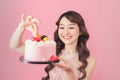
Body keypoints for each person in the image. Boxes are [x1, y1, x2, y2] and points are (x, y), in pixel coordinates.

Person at [9, 11, 96, 80]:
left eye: (71, 27)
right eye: (62, 27)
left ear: (81, 31)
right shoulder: (51, 50)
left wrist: (69, 71)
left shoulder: (89, 61)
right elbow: (15, 46)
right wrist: (21, 27)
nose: (65, 32)